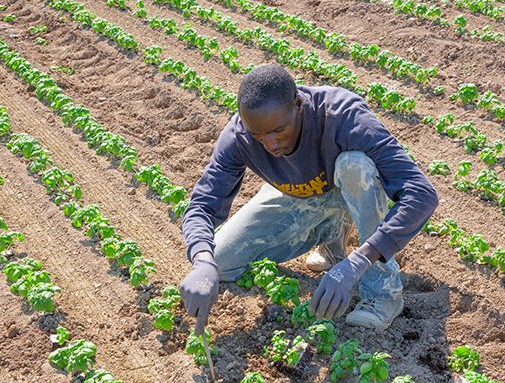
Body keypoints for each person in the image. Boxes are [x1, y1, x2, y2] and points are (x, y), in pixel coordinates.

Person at [180, 64, 438, 335]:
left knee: (355, 166)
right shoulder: (238, 137)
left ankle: (383, 292)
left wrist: (359, 261)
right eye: (258, 134)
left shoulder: (343, 116)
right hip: (296, 192)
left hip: (351, 188)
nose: (269, 144)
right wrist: (202, 260)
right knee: (221, 261)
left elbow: (421, 194)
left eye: (278, 130)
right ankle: (331, 241)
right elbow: (201, 206)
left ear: (298, 104)